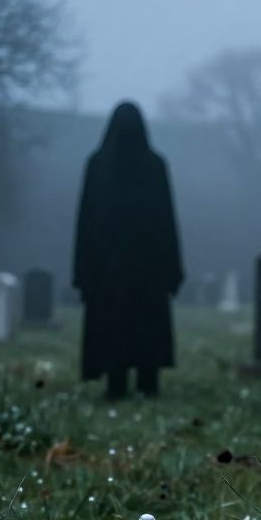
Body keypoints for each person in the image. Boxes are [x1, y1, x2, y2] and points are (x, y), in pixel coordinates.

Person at [73, 102, 183, 399]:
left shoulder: (98, 165)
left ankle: (116, 385)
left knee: (113, 328)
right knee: (146, 327)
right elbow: (167, 222)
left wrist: (83, 272)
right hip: (148, 269)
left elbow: (85, 224)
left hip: (108, 270)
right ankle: (148, 384)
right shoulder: (154, 165)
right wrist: (172, 269)